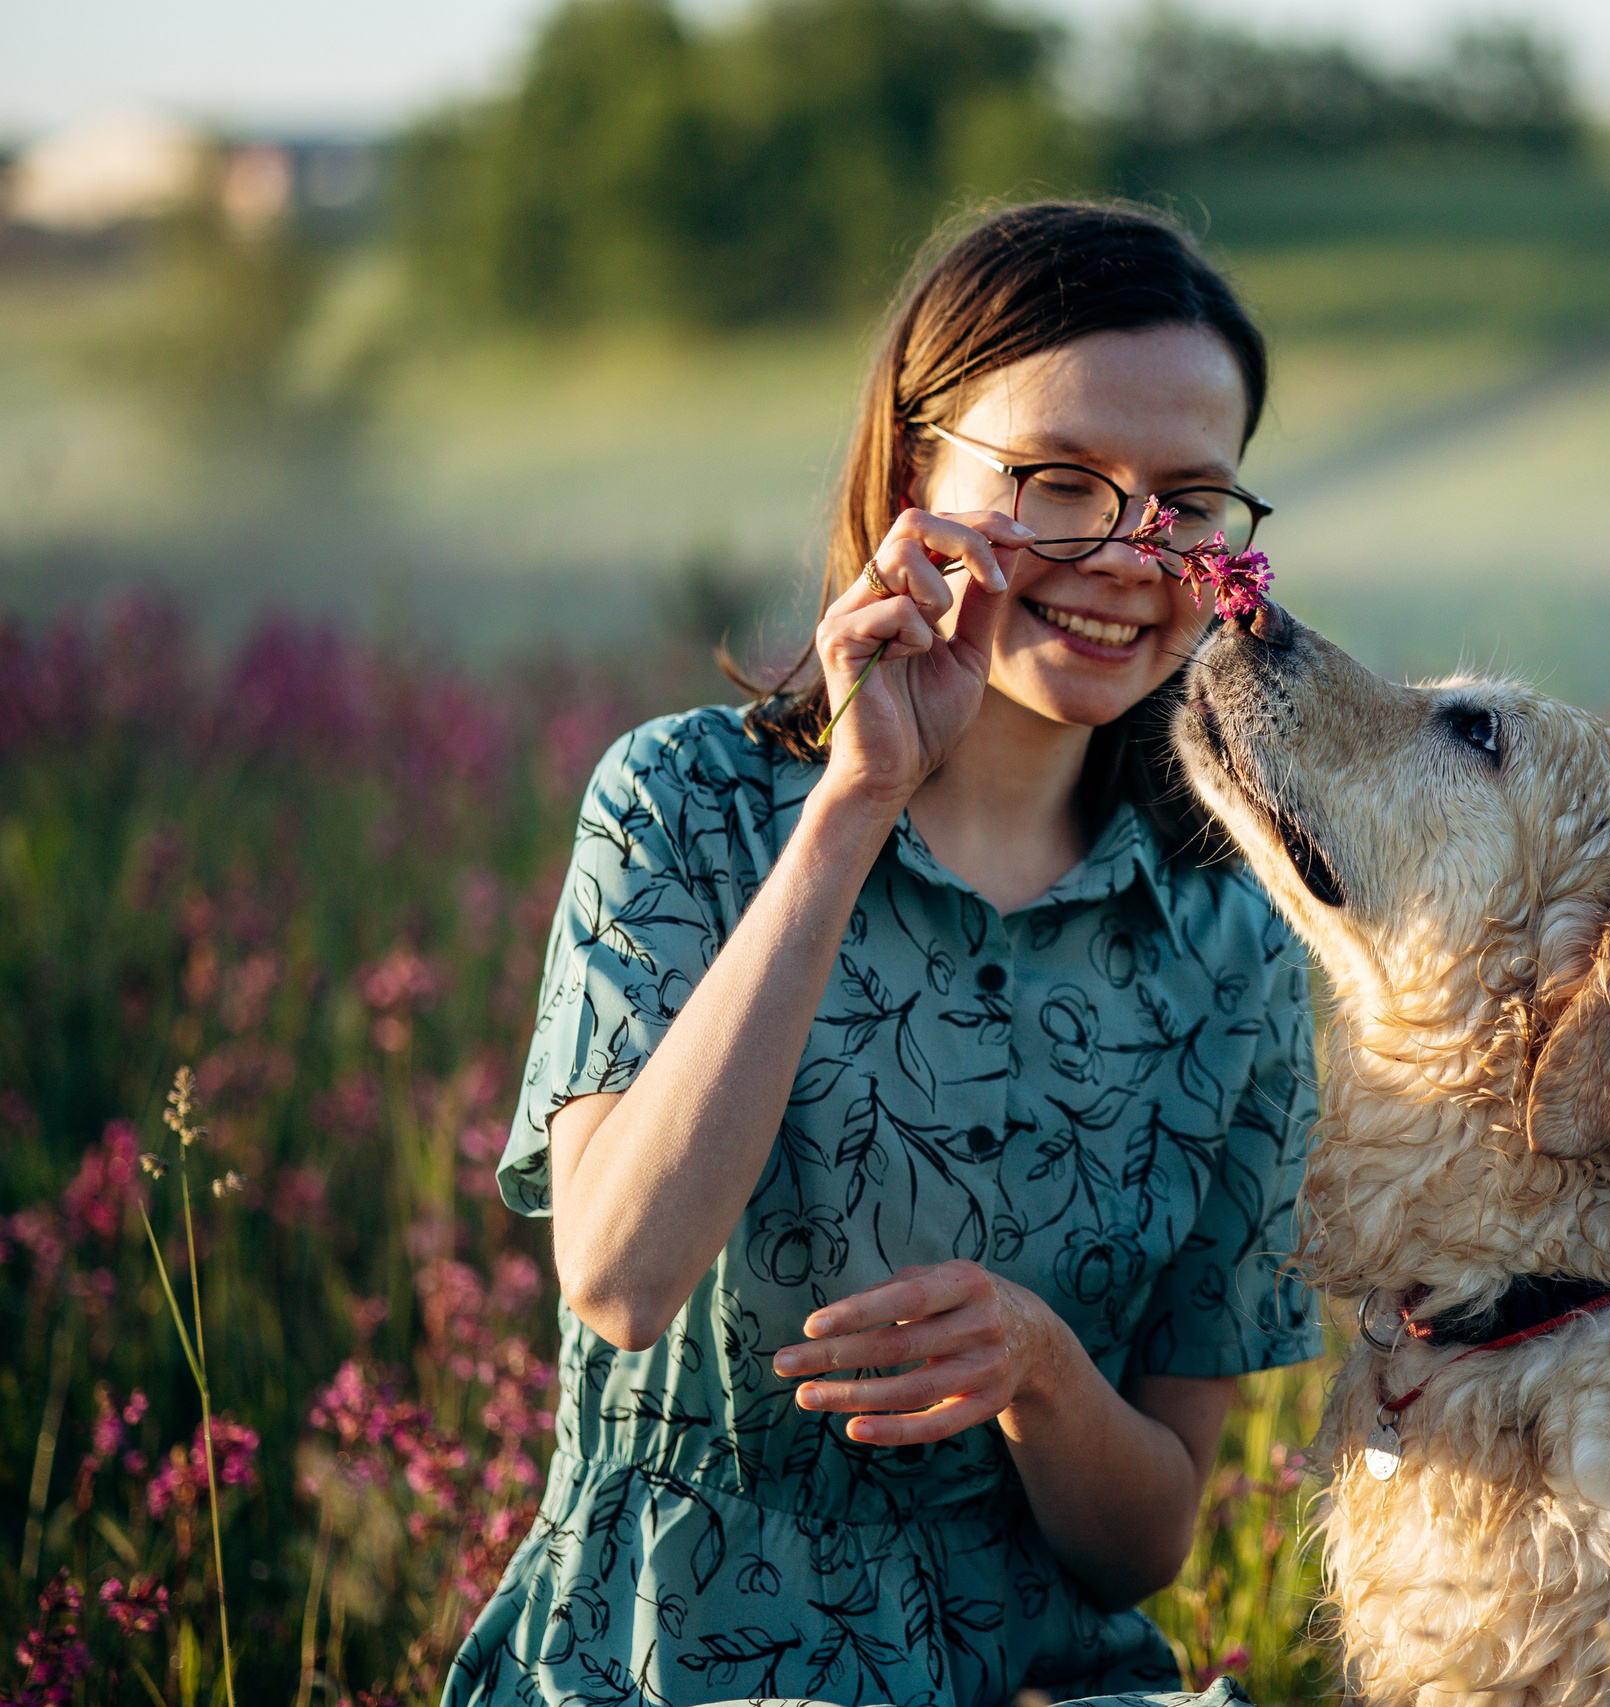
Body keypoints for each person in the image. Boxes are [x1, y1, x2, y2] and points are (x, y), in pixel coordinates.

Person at [444, 202, 1319, 1707]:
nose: (1125, 554)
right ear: (918, 474)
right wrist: (856, 803)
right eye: (1059, 483)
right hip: (672, 1664)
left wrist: (1042, 1369)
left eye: (1187, 504)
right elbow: (621, 1276)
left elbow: (1148, 1538)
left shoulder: (1238, 940)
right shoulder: (686, 806)